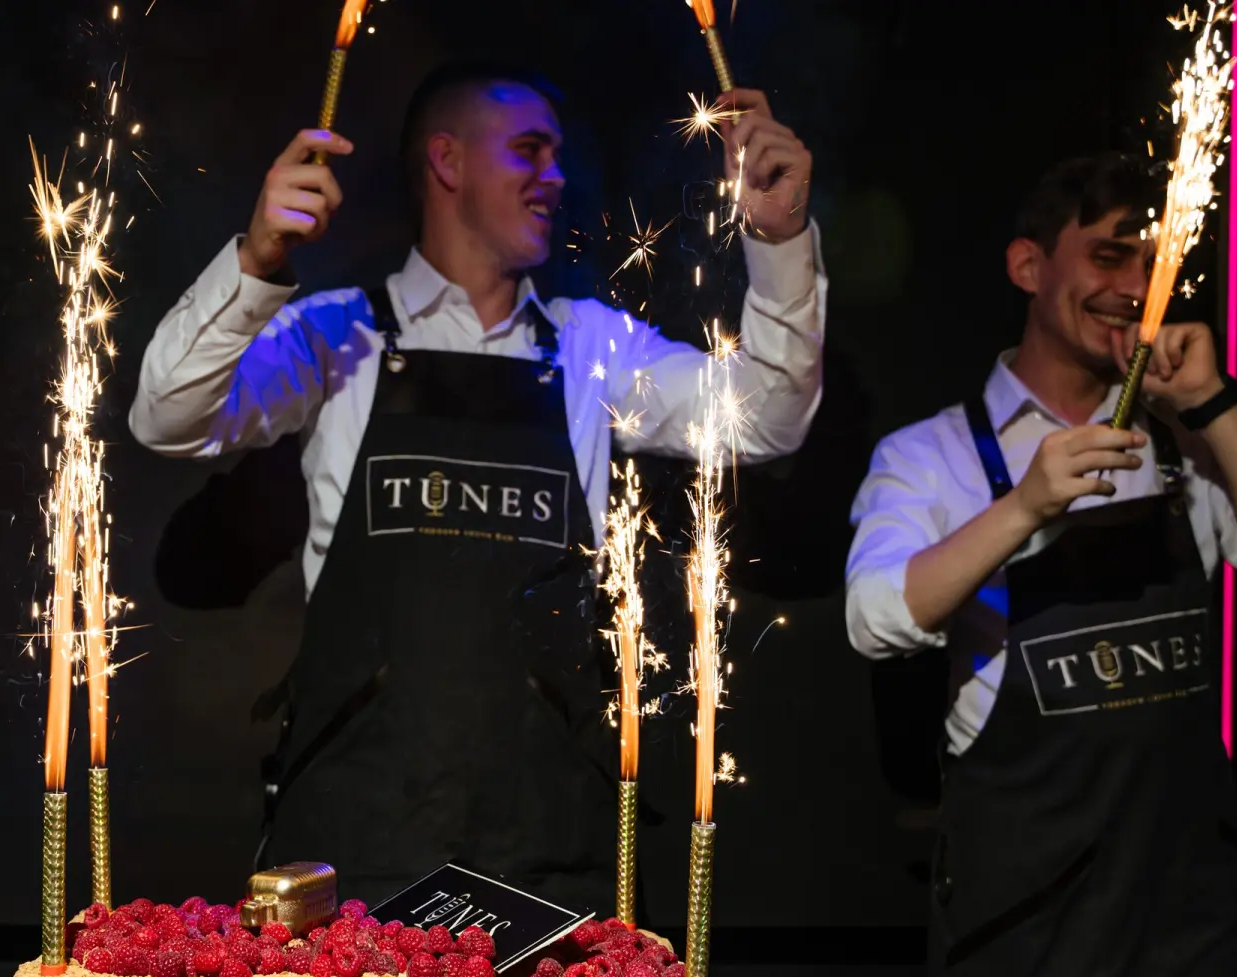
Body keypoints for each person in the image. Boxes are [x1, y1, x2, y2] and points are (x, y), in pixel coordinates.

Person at [130, 62, 825, 910]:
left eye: (558, 155)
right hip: (355, 854)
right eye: (529, 150)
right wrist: (257, 258)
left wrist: (780, 241)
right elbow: (167, 417)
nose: (555, 176)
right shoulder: (339, 333)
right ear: (447, 160)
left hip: (550, 857)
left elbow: (766, 416)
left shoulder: (591, 348)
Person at [845, 153, 1237, 977]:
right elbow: (876, 616)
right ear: (1029, 266)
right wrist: (1027, 503)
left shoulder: (1186, 448)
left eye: (1152, 259)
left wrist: (1214, 405)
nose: (1133, 283)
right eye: (1109, 253)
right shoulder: (934, 456)